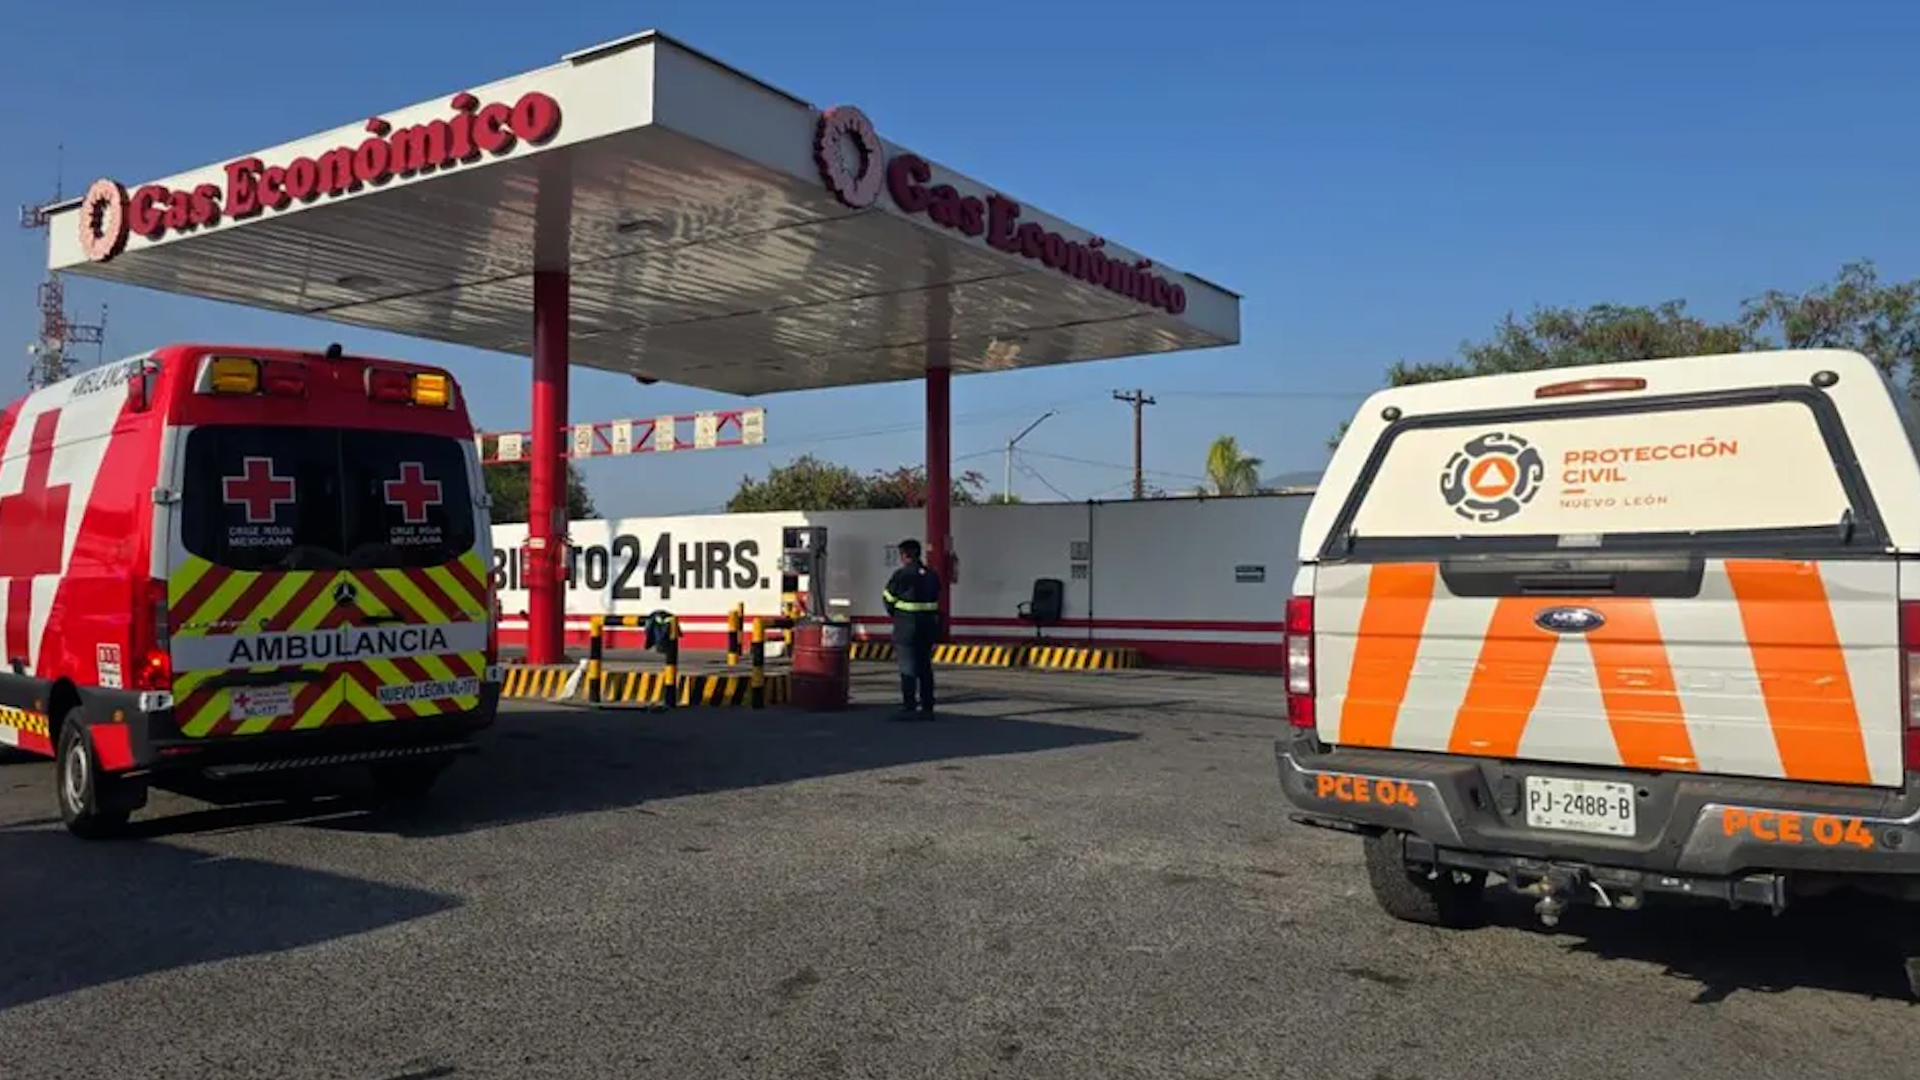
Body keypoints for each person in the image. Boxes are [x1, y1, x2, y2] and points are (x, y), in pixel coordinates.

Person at [882, 538, 942, 719]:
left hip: (906, 627)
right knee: (925, 668)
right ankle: (928, 706)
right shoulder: (932, 575)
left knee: (908, 668)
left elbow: (888, 599)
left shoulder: (901, 575)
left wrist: (897, 614)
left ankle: (909, 706)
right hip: (928, 628)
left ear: (905, 555)